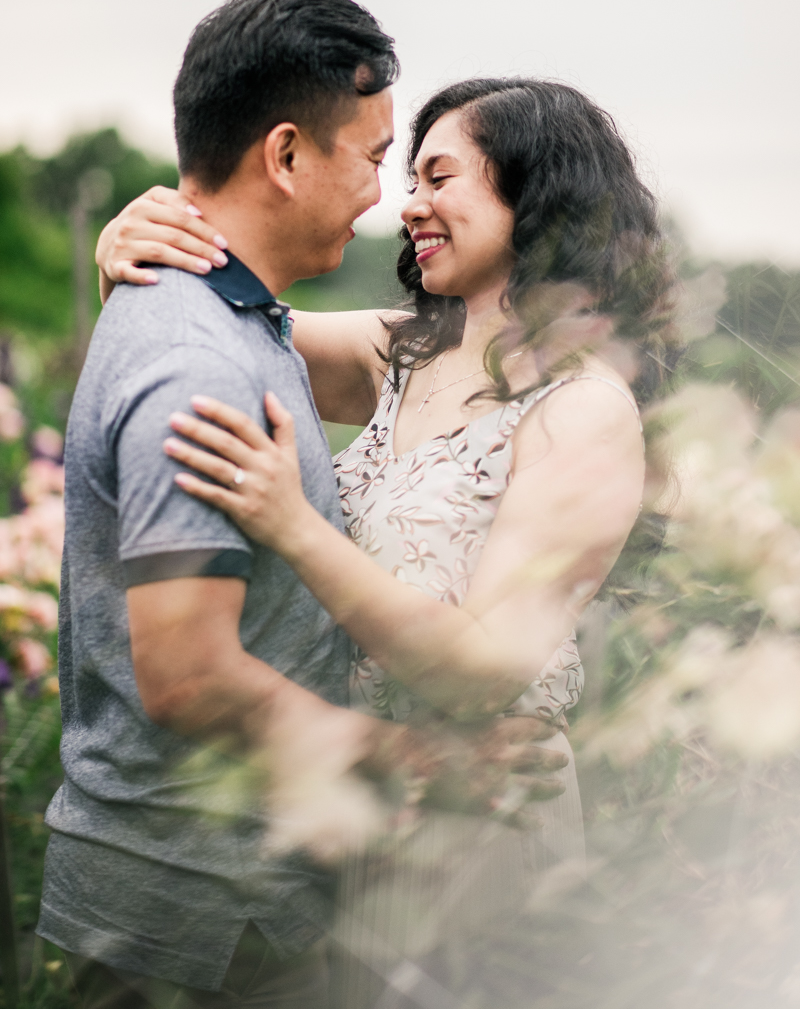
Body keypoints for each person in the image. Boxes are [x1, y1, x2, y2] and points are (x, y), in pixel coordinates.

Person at [38, 0, 568, 1009]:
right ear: (284, 154)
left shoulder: (251, 325)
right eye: (375, 160)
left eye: (422, 172)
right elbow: (187, 672)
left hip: (255, 882)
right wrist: (406, 757)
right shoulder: (199, 349)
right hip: (194, 902)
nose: (386, 198)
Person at [97, 74, 676, 1005]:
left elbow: (486, 665)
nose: (408, 204)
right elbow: (213, 337)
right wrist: (128, 243)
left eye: (440, 177)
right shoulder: (402, 351)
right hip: (369, 805)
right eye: (408, 175)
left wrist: (292, 523)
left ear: (535, 195)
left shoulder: (587, 409)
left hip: (481, 832)